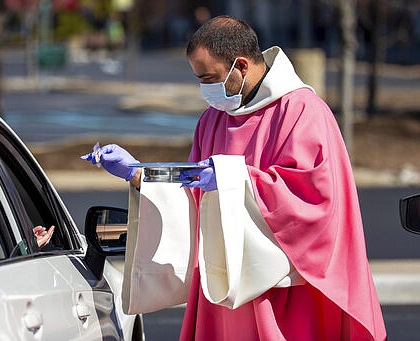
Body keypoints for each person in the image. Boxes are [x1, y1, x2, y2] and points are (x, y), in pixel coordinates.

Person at [82, 15, 386, 340]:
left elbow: (315, 198)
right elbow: (193, 187)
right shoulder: (213, 120)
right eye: (199, 79)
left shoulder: (302, 111)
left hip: (283, 290)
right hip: (223, 289)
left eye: (210, 77)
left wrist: (231, 179)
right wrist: (141, 173)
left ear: (240, 65)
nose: (205, 89)